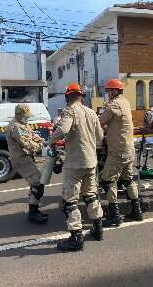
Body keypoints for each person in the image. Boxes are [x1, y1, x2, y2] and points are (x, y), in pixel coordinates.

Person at [48, 83, 104, 252]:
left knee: (70, 201)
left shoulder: (69, 110)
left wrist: (51, 140)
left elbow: (63, 129)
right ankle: (98, 229)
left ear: (67, 97)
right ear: (81, 96)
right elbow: (100, 136)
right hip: (91, 162)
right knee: (91, 196)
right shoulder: (91, 112)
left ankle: (76, 238)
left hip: (75, 163)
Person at [99, 79, 143, 227]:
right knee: (128, 180)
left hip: (117, 151)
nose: (107, 93)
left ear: (115, 91)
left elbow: (99, 122)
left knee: (107, 180)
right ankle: (137, 211)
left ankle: (115, 215)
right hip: (129, 150)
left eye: (109, 90)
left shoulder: (113, 106)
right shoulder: (125, 102)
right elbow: (115, 124)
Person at [5, 104, 48, 224]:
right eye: (25, 116)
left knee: (36, 183)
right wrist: (42, 147)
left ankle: (34, 210)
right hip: (21, 159)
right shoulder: (16, 126)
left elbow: (31, 135)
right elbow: (26, 143)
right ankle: (33, 213)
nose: (27, 118)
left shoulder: (22, 123)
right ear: (19, 115)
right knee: (38, 183)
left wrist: (43, 141)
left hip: (26, 157)